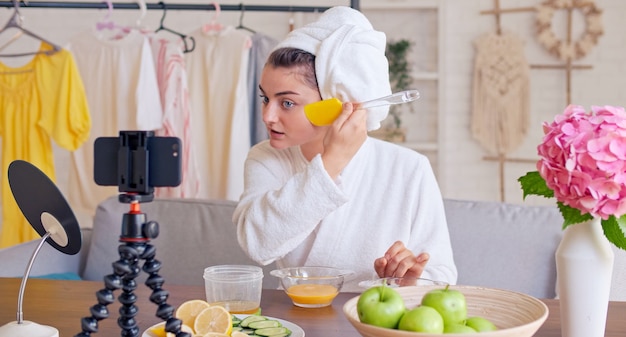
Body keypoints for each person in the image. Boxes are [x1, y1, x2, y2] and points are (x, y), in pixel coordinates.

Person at [232, 6, 457, 292]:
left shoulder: (410, 169)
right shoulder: (266, 158)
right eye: (266, 98)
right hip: (295, 317)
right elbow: (258, 245)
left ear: (337, 103)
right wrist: (332, 161)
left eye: (286, 103)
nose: (267, 116)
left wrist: (410, 279)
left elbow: (443, 274)